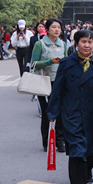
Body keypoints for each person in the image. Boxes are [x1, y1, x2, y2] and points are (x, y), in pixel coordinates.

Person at [47, 29, 93, 184]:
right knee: (76, 148)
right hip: (72, 112)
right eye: (83, 42)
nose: (87, 45)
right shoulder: (66, 63)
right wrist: (52, 111)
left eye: (90, 42)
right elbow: (58, 90)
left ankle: (87, 172)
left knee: (91, 150)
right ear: (76, 43)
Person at [31, 18, 68, 153]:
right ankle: (46, 141)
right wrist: (49, 61)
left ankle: (60, 141)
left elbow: (65, 62)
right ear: (47, 29)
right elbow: (34, 64)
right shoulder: (39, 44)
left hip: (59, 82)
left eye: (59, 27)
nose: (57, 30)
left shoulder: (63, 44)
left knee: (60, 113)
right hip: (44, 82)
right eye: (54, 27)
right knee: (47, 113)